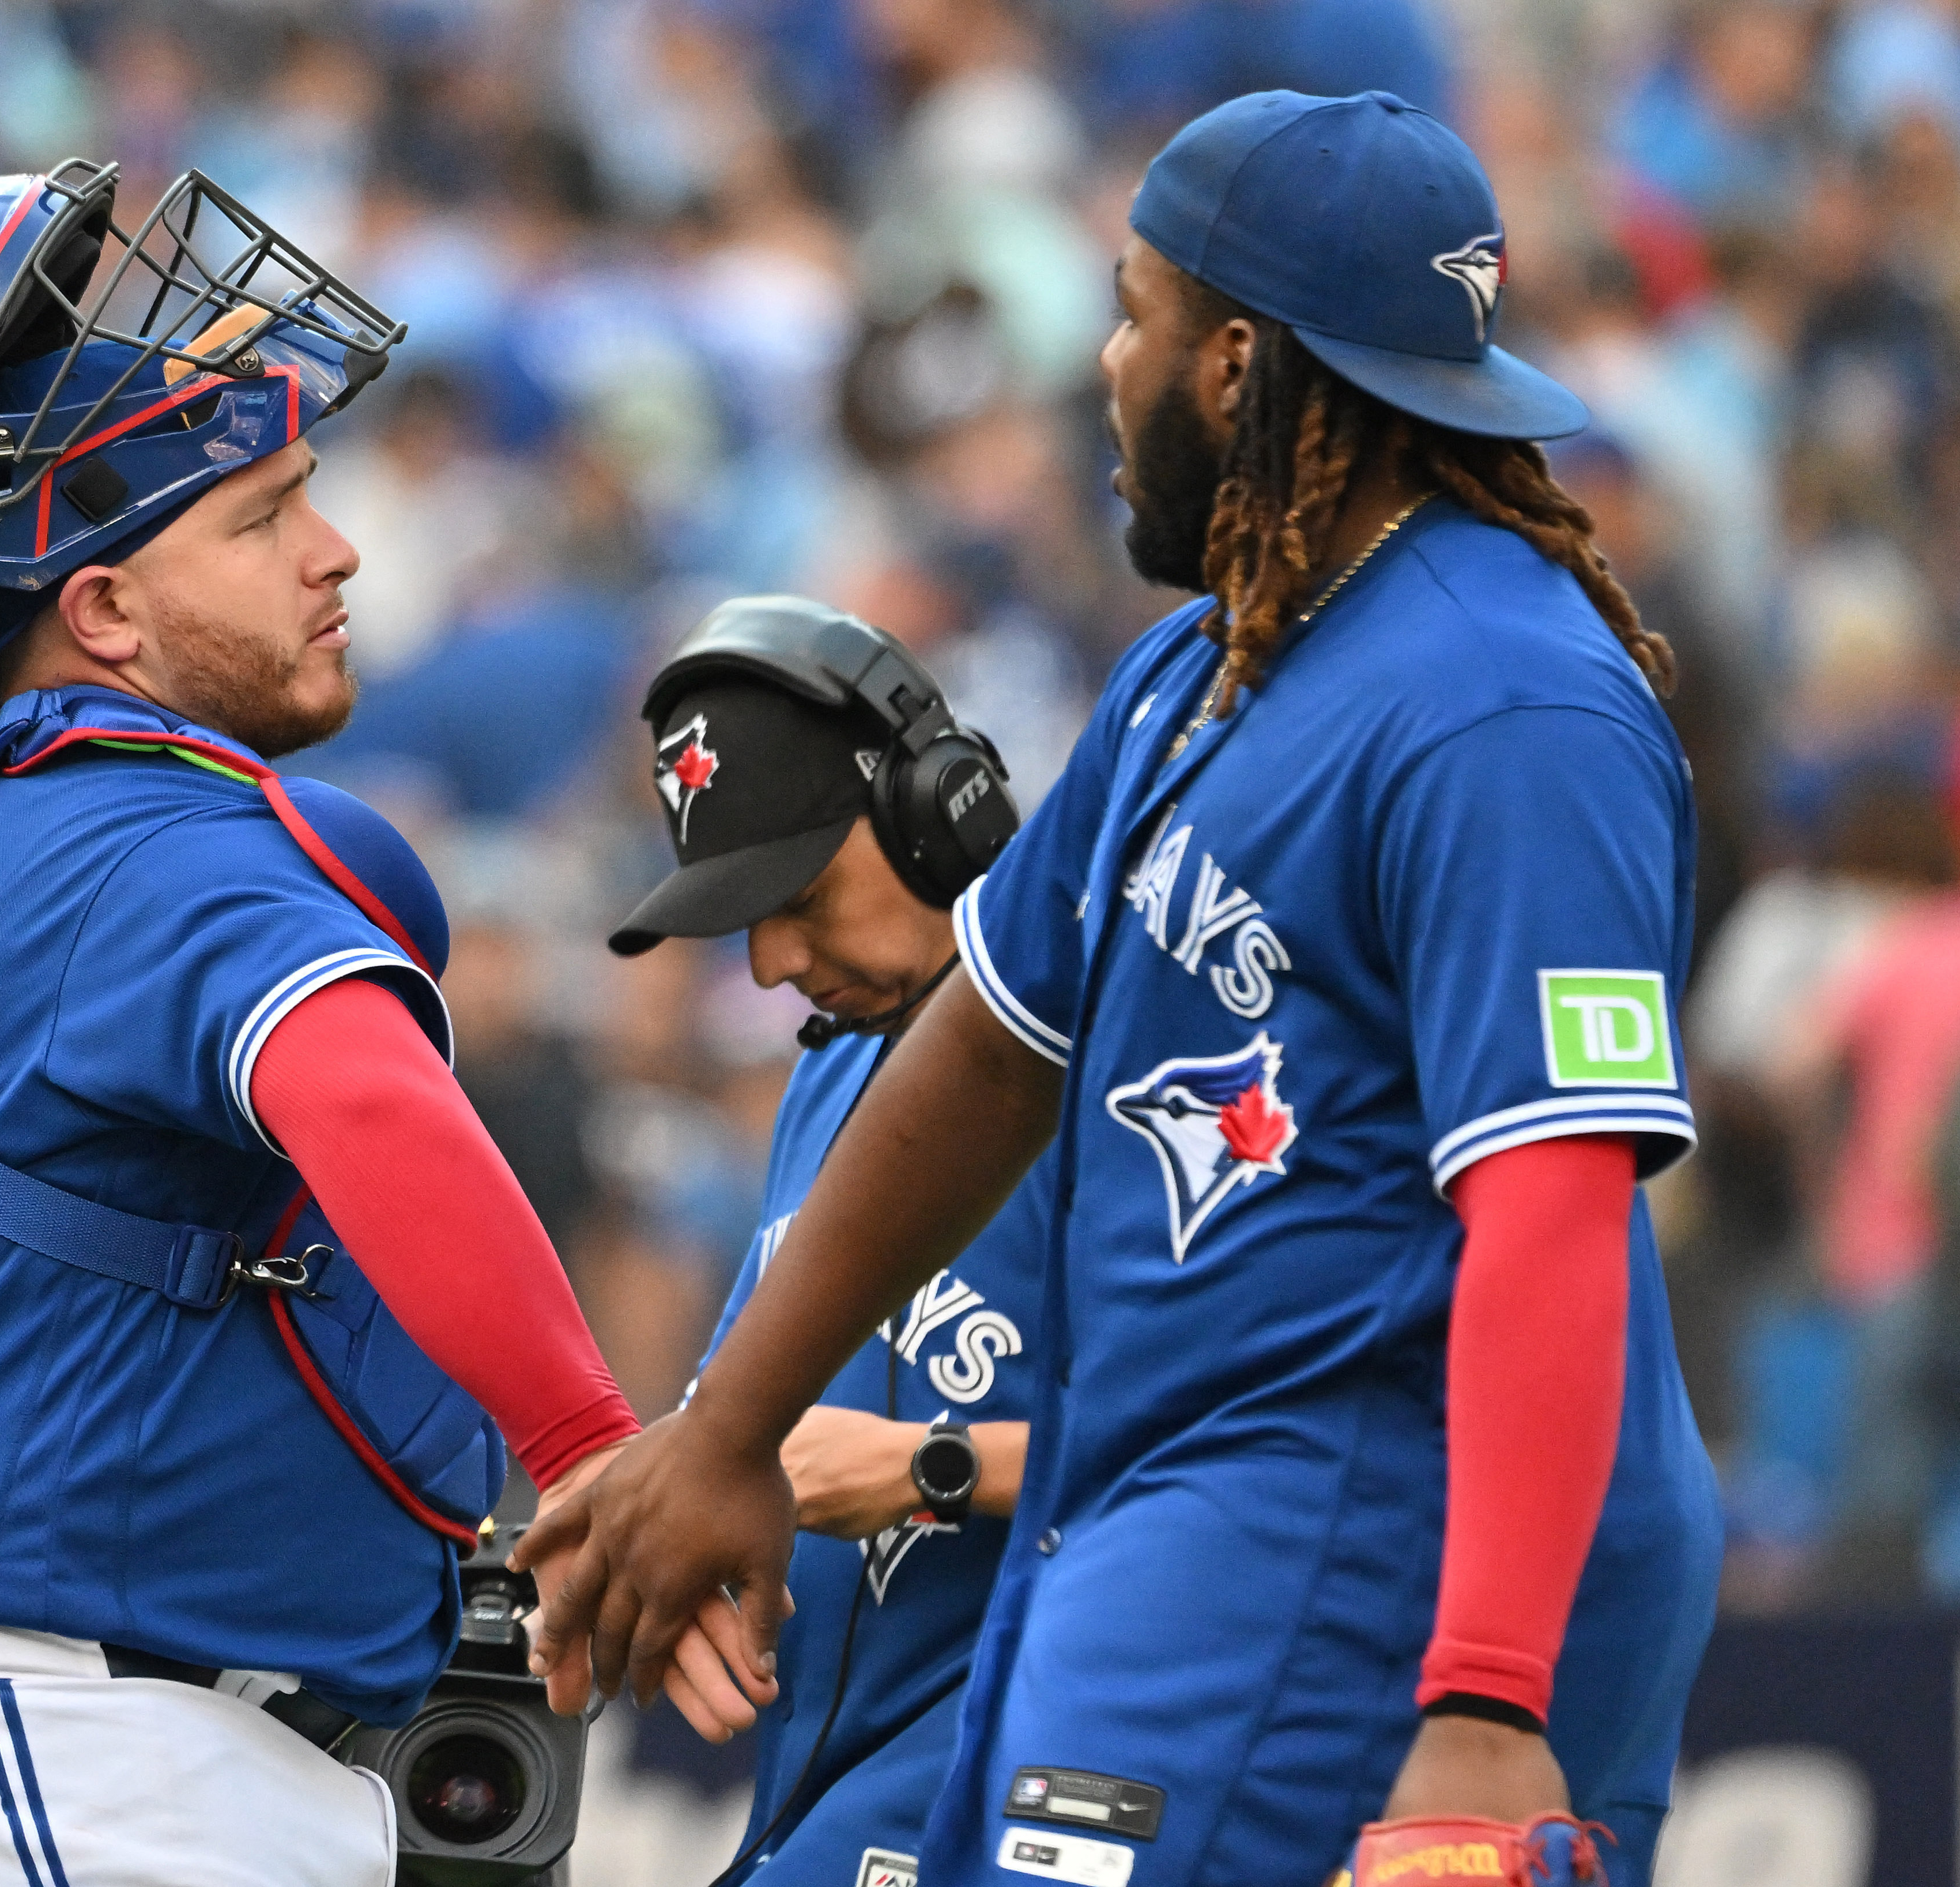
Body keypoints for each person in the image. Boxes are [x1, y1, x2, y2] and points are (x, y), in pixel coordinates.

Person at [521, 91, 1723, 1887]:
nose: (1104, 362)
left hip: (1373, 1554)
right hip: (1169, 1521)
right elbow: (989, 1055)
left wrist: (1481, 1691)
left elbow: (1553, 1201)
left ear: (1237, 363)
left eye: (1133, 309)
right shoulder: (1201, 671)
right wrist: (726, 1431)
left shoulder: (1505, 706)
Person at [0, 160, 759, 1885]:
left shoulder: (5, 817)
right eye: (260, 513)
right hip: (67, 1731)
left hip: (69, 1729)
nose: (334, 543)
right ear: (107, 609)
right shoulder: (134, 835)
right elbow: (372, 1108)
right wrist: (603, 1453)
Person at [607, 594, 1044, 1885]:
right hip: (816, 1799)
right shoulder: (825, 1077)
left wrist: (939, 1466)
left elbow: (1258, 1448)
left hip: (1029, 1787)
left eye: (799, 893)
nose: (767, 962)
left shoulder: (1116, 1069)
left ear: (938, 814)